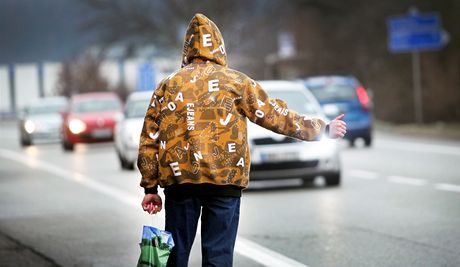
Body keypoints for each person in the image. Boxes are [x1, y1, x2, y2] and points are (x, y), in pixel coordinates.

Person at [138, 13, 346, 267]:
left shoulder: (167, 86)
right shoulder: (237, 82)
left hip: (181, 183)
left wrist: (150, 187)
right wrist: (322, 128)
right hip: (225, 181)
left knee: (174, 256)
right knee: (218, 256)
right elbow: (274, 115)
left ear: (188, 48)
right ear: (219, 46)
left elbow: (149, 138)